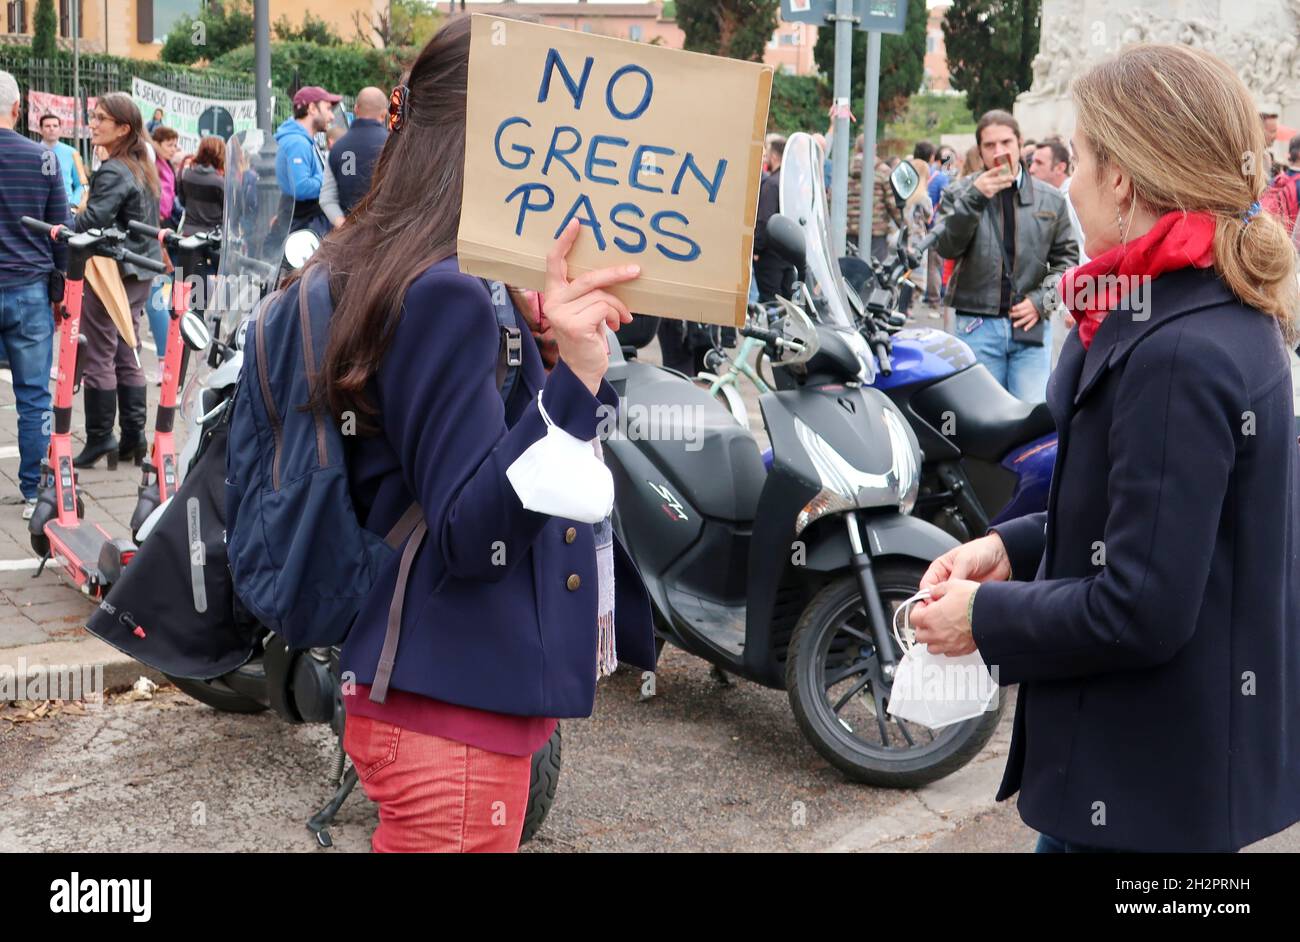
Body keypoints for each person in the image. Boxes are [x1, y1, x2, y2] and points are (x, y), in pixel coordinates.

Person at [911, 42, 1300, 854]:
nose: (1067, 180)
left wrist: (984, 618)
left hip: (1142, 797)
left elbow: (1140, 606)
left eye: (1080, 159)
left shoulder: (1178, 350)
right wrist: (1007, 550)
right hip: (1159, 784)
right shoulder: (1201, 310)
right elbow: (1142, 525)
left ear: (1123, 179)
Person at [299, 16, 655, 852]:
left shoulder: (434, 271)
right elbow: (468, 531)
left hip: (445, 704)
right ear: (492, 138)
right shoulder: (448, 292)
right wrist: (570, 375)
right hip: (448, 719)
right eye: (545, 134)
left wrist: (537, 350)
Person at [932, 110, 1079, 401]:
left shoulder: (1049, 197)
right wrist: (974, 198)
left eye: (1005, 142)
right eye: (989, 145)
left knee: (1031, 417)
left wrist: (1040, 302)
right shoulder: (959, 192)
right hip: (977, 325)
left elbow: (1067, 261)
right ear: (980, 151)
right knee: (978, 417)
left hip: (1031, 327)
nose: (999, 152)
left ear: (1019, 143)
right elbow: (947, 247)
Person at [72, 92, 165, 469]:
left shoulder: (114, 169)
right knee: (128, 349)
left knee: (99, 352)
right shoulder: (139, 164)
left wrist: (67, 220)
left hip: (113, 270)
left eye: (100, 119)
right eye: (93, 117)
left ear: (123, 128)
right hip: (140, 269)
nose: (92, 124)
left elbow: (91, 222)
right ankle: (133, 438)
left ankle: (99, 439)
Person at [0, 71, 67, 519]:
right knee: (33, 395)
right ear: (18, 110)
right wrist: (59, 287)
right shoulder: (43, 159)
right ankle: (31, 491)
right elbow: (61, 230)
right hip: (28, 291)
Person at [275, 85, 340, 238]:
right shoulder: (297, 143)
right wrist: (330, 179)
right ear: (312, 108)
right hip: (302, 231)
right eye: (328, 108)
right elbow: (301, 187)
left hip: (301, 227)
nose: (331, 116)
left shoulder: (303, 141)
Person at [146, 125, 181, 368]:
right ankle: (164, 355)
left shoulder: (167, 166)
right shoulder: (152, 164)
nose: (173, 149)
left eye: (175, 144)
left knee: (162, 290)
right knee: (159, 290)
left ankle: (166, 354)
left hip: (165, 228)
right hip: (154, 228)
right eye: (169, 144)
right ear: (156, 143)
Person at [325, 86, 388, 219]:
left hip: (348, 232)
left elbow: (327, 199)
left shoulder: (337, 148)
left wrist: (343, 227)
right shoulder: (393, 146)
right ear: (383, 114)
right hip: (385, 230)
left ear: (355, 109)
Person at [752, 134, 793, 302]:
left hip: (770, 256)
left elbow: (764, 220)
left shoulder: (771, 184)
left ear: (775, 156)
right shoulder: (790, 182)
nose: (766, 156)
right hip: (788, 254)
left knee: (770, 302)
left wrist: (756, 249)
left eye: (767, 153)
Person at [37, 113, 88, 214]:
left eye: (55, 126)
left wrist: (73, 204)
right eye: (47, 126)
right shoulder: (31, 151)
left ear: (60, 129)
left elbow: (82, 185)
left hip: (66, 208)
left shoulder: (73, 153)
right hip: (39, 207)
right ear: (40, 129)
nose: (51, 129)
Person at [178, 136, 225, 236]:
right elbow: (226, 211)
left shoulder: (185, 174)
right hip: (213, 235)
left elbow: (182, 201)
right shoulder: (219, 182)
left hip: (188, 233)